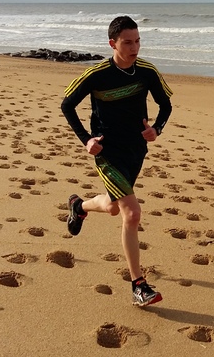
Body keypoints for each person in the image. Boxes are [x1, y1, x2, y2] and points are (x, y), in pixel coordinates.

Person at [60, 15, 173, 307]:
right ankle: (138, 286)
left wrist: (156, 129)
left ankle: (79, 206)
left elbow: (166, 104)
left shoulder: (147, 71)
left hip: (135, 151)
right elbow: (67, 104)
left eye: (138, 41)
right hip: (107, 152)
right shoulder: (96, 74)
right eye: (127, 42)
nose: (134, 47)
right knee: (132, 214)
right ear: (113, 43)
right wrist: (86, 139)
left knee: (113, 208)